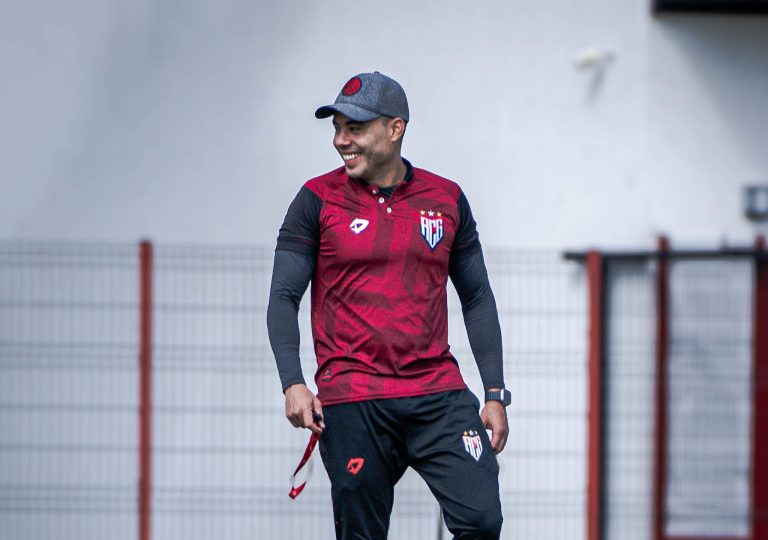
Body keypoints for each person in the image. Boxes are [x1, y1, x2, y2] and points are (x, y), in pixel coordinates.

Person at [267, 71, 510, 539]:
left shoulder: (447, 198)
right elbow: (283, 297)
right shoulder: (315, 199)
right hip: (353, 396)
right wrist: (292, 383)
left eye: (354, 128)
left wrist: (496, 394)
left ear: (394, 129)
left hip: (436, 391)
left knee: (482, 520)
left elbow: (477, 296)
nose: (341, 140)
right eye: (337, 128)